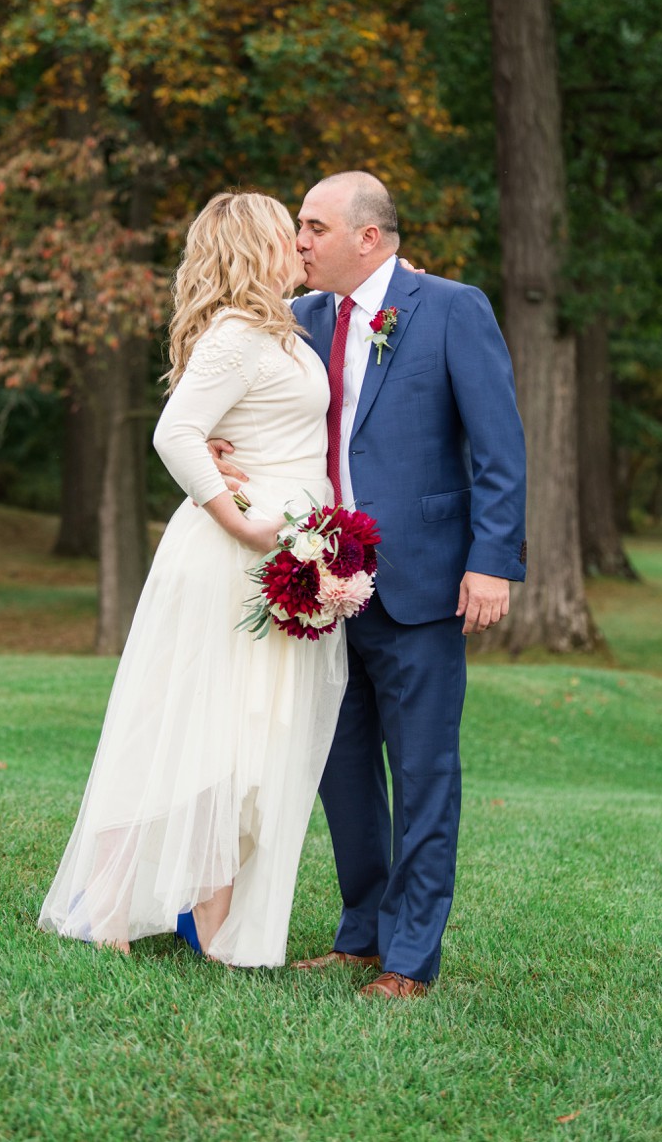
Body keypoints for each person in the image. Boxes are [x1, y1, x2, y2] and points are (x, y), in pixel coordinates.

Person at [214, 172, 527, 998]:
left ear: (370, 237)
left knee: (424, 771)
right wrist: (211, 448)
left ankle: (409, 958)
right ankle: (360, 932)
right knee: (339, 767)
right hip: (316, 585)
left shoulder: (453, 308)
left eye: (314, 227)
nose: (299, 242)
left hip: (423, 584)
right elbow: (241, 399)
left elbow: (500, 447)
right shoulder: (302, 319)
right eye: (298, 228)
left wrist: (491, 560)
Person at [38, 191, 348, 967]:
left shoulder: (277, 324)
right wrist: (238, 519)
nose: (302, 248)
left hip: (291, 555)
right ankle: (106, 899)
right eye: (290, 235)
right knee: (195, 730)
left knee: (253, 740)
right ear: (256, 248)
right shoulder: (238, 333)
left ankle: (209, 918)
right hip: (234, 557)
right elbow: (174, 431)